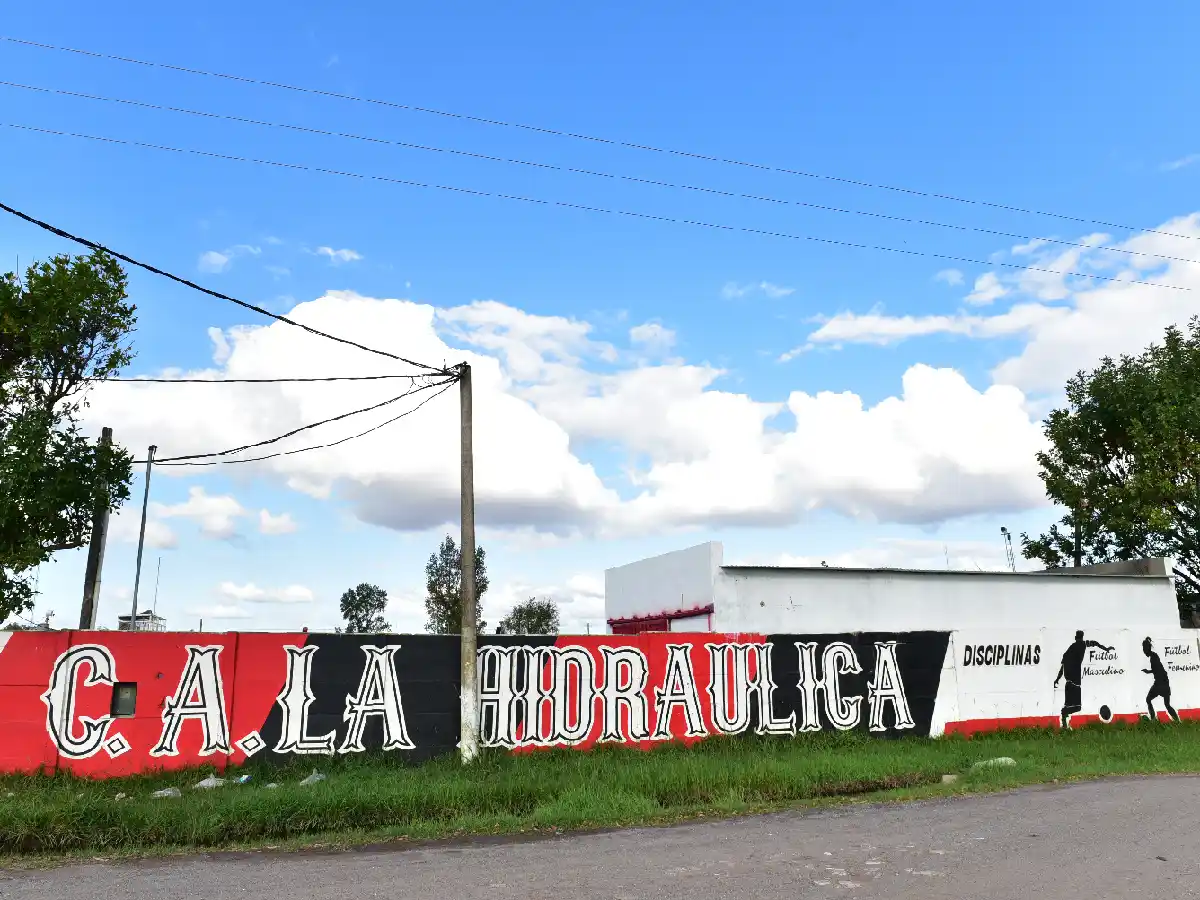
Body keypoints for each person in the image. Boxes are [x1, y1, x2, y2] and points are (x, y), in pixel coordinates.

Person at [1054, 630, 1114, 728]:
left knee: (1076, 707)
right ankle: (1064, 718)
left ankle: (1064, 718)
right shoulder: (1081, 645)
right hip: (1072, 682)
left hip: (1073, 682)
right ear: (1081, 637)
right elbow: (1094, 643)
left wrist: (1057, 679)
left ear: (1076, 638)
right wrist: (1105, 649)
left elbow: (1063, 666)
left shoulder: (1074, 648)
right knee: (1075, 706)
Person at [1142, 638, 1180, 723]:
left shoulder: (1153, 657)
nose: (1144, 651)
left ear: (1147, 648)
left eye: (1144, 649)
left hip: (1160, 683)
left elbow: (1158, 670)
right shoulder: (1154, 656)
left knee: (1149, 699)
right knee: (1167, 705)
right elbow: (1158, 669)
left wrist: (1150, 672)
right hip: (1163, 682)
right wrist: (1148, 671)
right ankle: (1177, 721)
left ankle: (1153, 719)